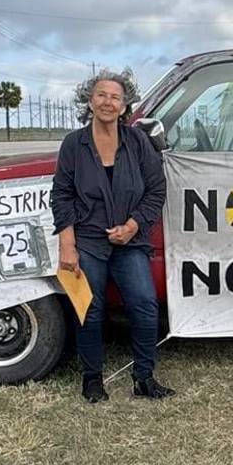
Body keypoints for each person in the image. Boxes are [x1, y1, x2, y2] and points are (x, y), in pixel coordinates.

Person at [51, 70, 173, 402]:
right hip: (88, 240)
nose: (108, 102)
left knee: (145, 305)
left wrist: (133, 225)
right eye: (101, 95)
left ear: (124, 105)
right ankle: (92, 380)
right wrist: (67, 245)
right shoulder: (74, 144)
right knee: (89, 309)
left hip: (130, 241)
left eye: (115, 97)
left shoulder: (137, 142)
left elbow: (156, 190)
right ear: (89, 101)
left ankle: (144, 378)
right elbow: (61, 195)